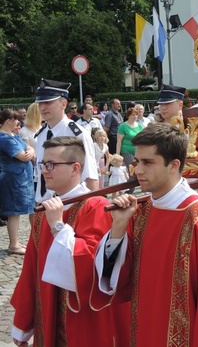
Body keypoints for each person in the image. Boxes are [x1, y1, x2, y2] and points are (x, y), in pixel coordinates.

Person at [92, 123, 198, 346]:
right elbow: (117, 282)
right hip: (145, 331)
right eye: (137, 161)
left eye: (148, 162)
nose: (138, 170)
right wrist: (118, 229)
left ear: (174, 165)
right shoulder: (140, 212)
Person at [10, 136, 129, 346]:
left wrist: (58, 227)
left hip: (83, 318)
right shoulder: (45, 210)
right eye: (42, 164)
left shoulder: (95, 206)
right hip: (49, 312)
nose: (44, 170)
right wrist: (23, 322)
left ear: (75, 168)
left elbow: (93, 267)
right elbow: (31, 267)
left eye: (51, 165)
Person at [33, 78, 99, 203]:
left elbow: (90, 177)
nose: (42, 108)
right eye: (40, 103)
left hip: (69, 205)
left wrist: (91, 211)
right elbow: (40, 179)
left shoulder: (77, 134)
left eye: (48, 103)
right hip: (44, 207)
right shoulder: (42, 134)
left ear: (63, 104)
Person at [0, 109, 34, 255]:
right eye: (15, 120)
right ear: (8, 121)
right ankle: (13, 245)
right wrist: (30, 151)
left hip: (21, 178)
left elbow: (30, 148)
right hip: (13, 179)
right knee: (14, 212)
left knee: (17, 212)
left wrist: (31, 150)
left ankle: (15, 242)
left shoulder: (13, 135)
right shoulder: (4, 138)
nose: (18, 122)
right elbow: (23, 156)